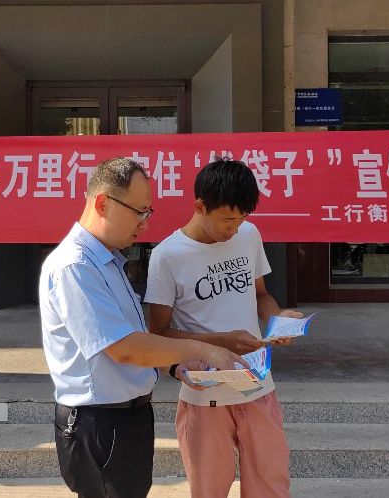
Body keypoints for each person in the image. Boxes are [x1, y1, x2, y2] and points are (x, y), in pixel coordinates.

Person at [39, 157, 244, 498]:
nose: (144, 224)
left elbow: (135, 339)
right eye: (139, 212)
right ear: (102, 203)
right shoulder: (75, 266)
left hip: (128, 416)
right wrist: (204, 350)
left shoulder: (107, 261)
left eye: (148, 213)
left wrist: (174, 366)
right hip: (99, 422)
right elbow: (124, 348)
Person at [145, 158, 300, 498]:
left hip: (257, 385)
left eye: (242, 219)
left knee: (271, 486)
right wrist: (222, 341)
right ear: (200, 207)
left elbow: (260, 295)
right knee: (209, 490)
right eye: (228, 220)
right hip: (205, 396)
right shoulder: (167, 256)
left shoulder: (248, 235)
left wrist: (278, 319)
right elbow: (158, 334)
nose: (235, 229)